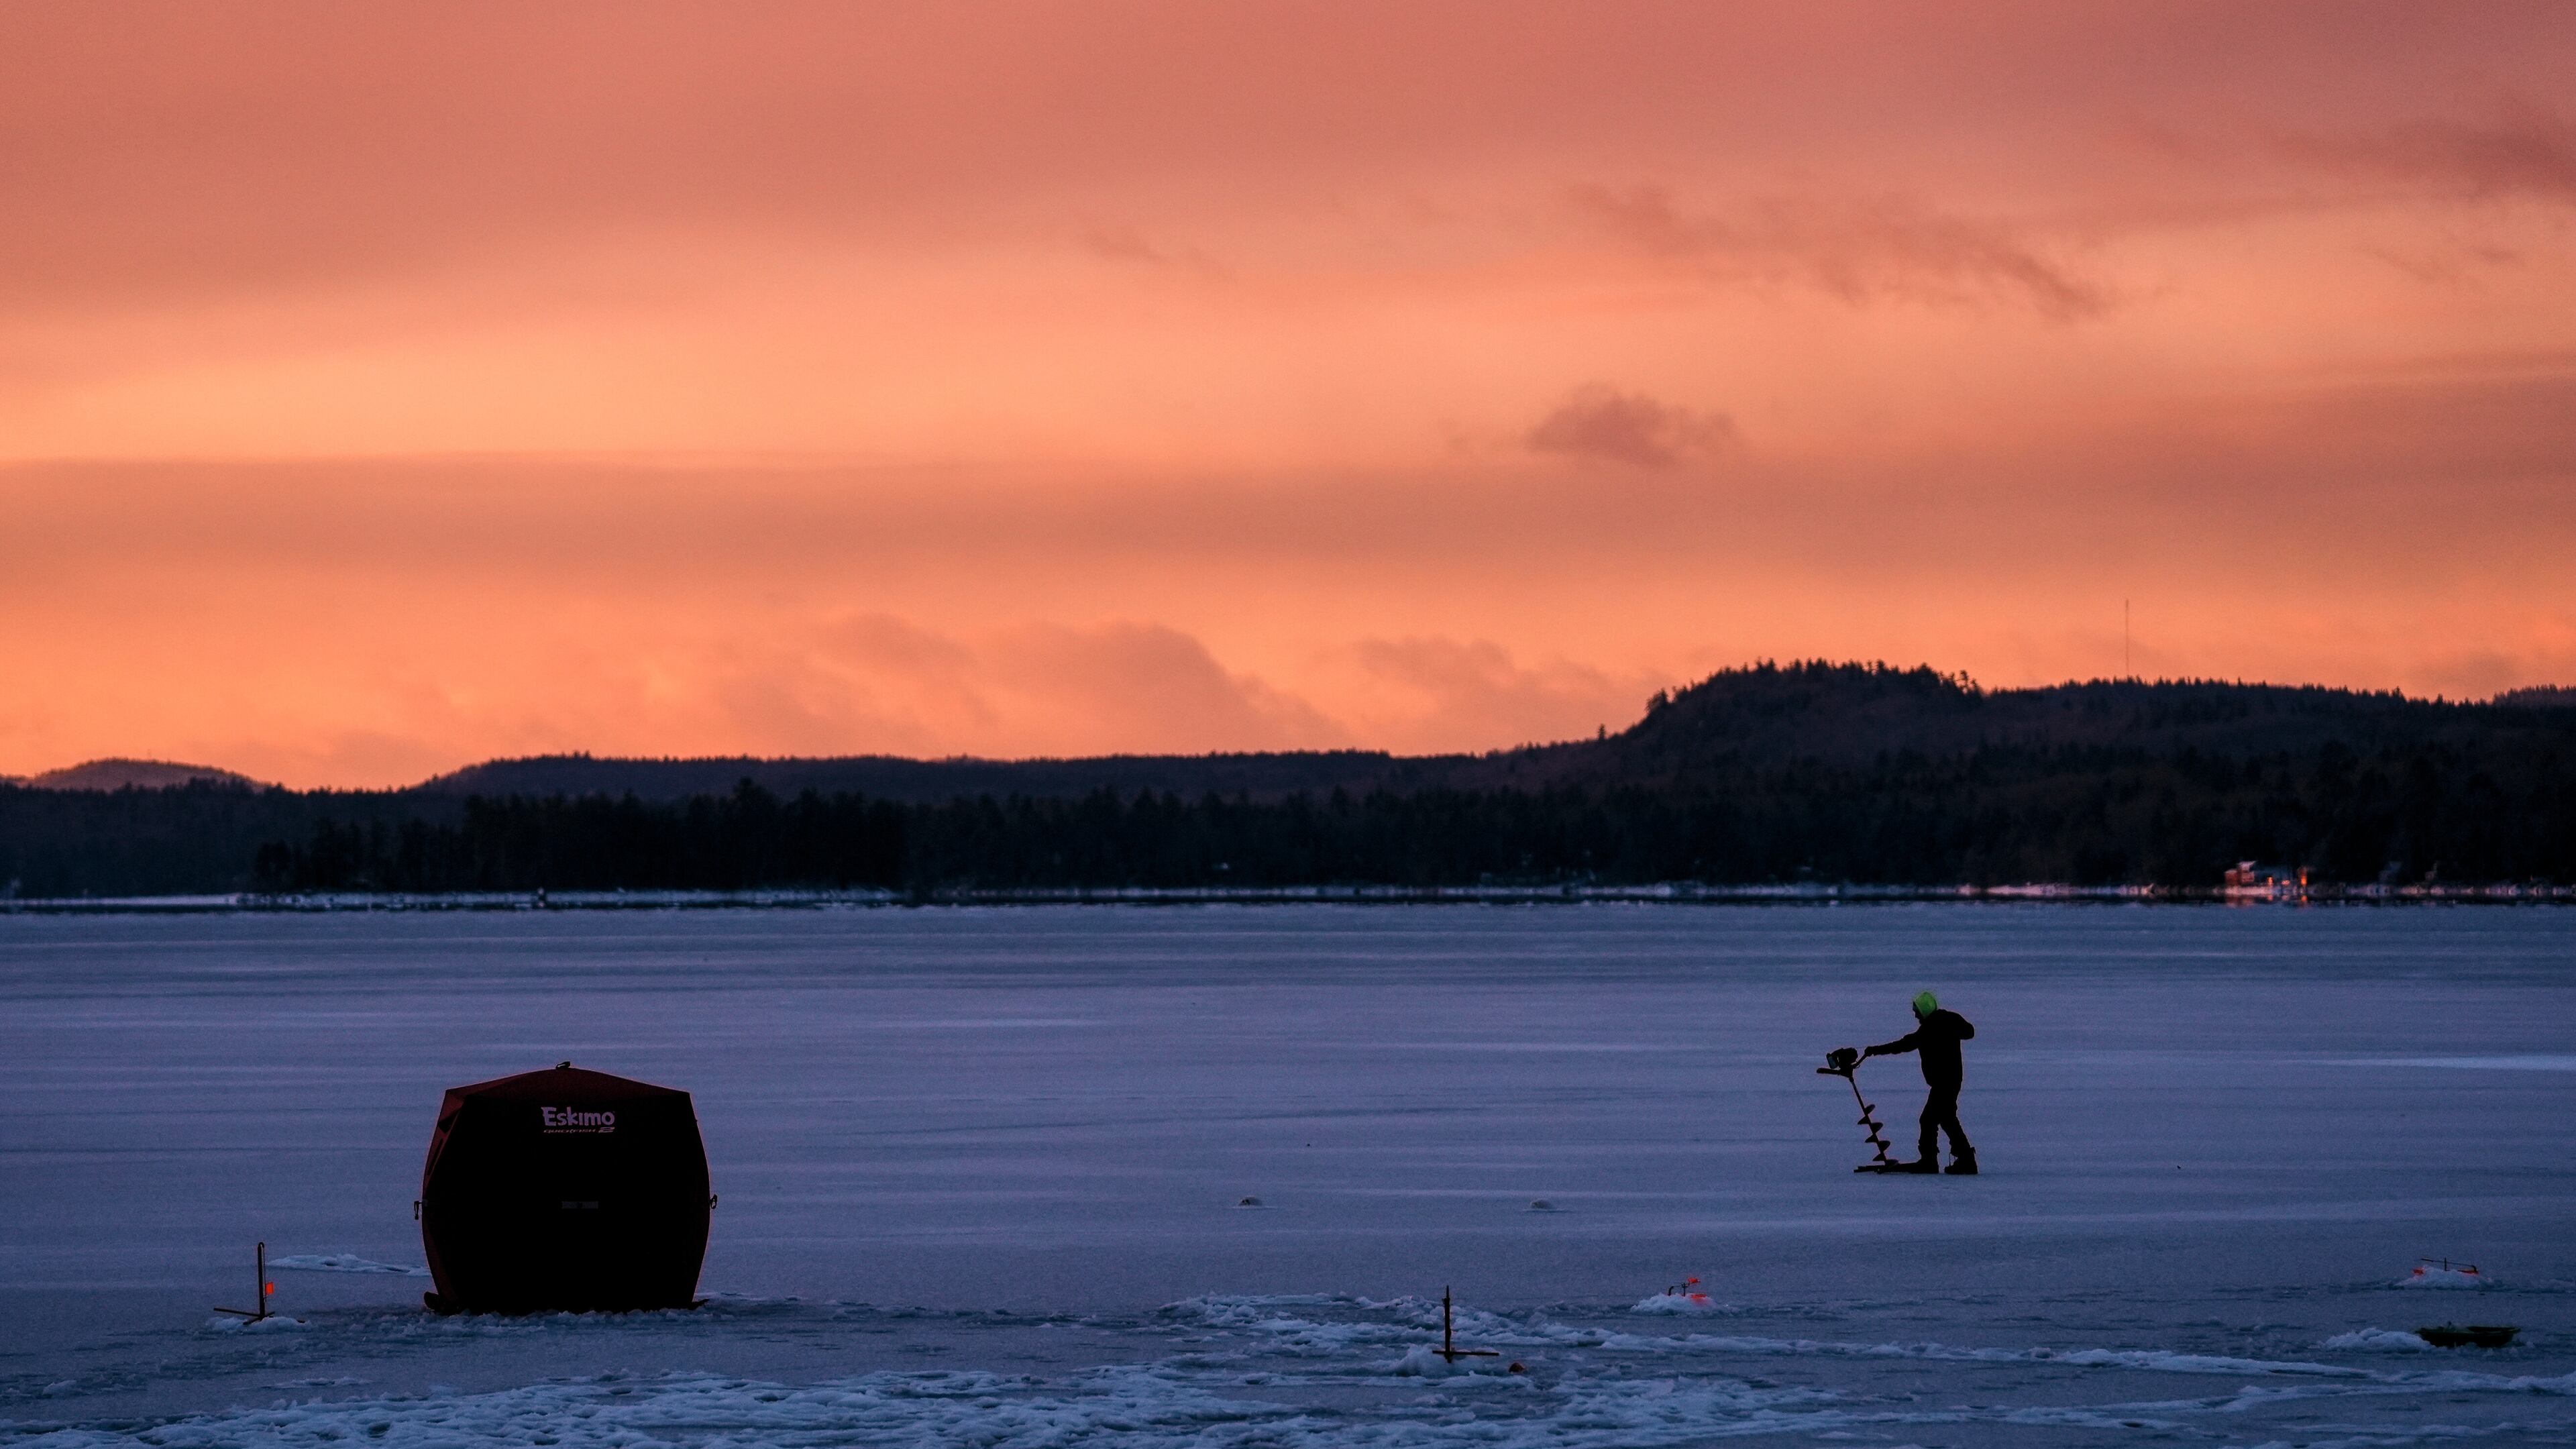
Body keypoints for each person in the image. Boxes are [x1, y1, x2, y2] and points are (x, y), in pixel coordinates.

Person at [1858, 991, 1976, 1175]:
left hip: (1943, 1083)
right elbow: (1969, 1031)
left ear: (1925, 1010)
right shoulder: (1948, 1021)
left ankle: (1932, 1162)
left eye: (1917, 1011)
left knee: (1929, 1120)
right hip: (1952, 1081)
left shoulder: (1930, 1028)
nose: (1915, 1015)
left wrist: (1875, 1050)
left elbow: (1903, 1045)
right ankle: (1963, 1159)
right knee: (1946, 1119)